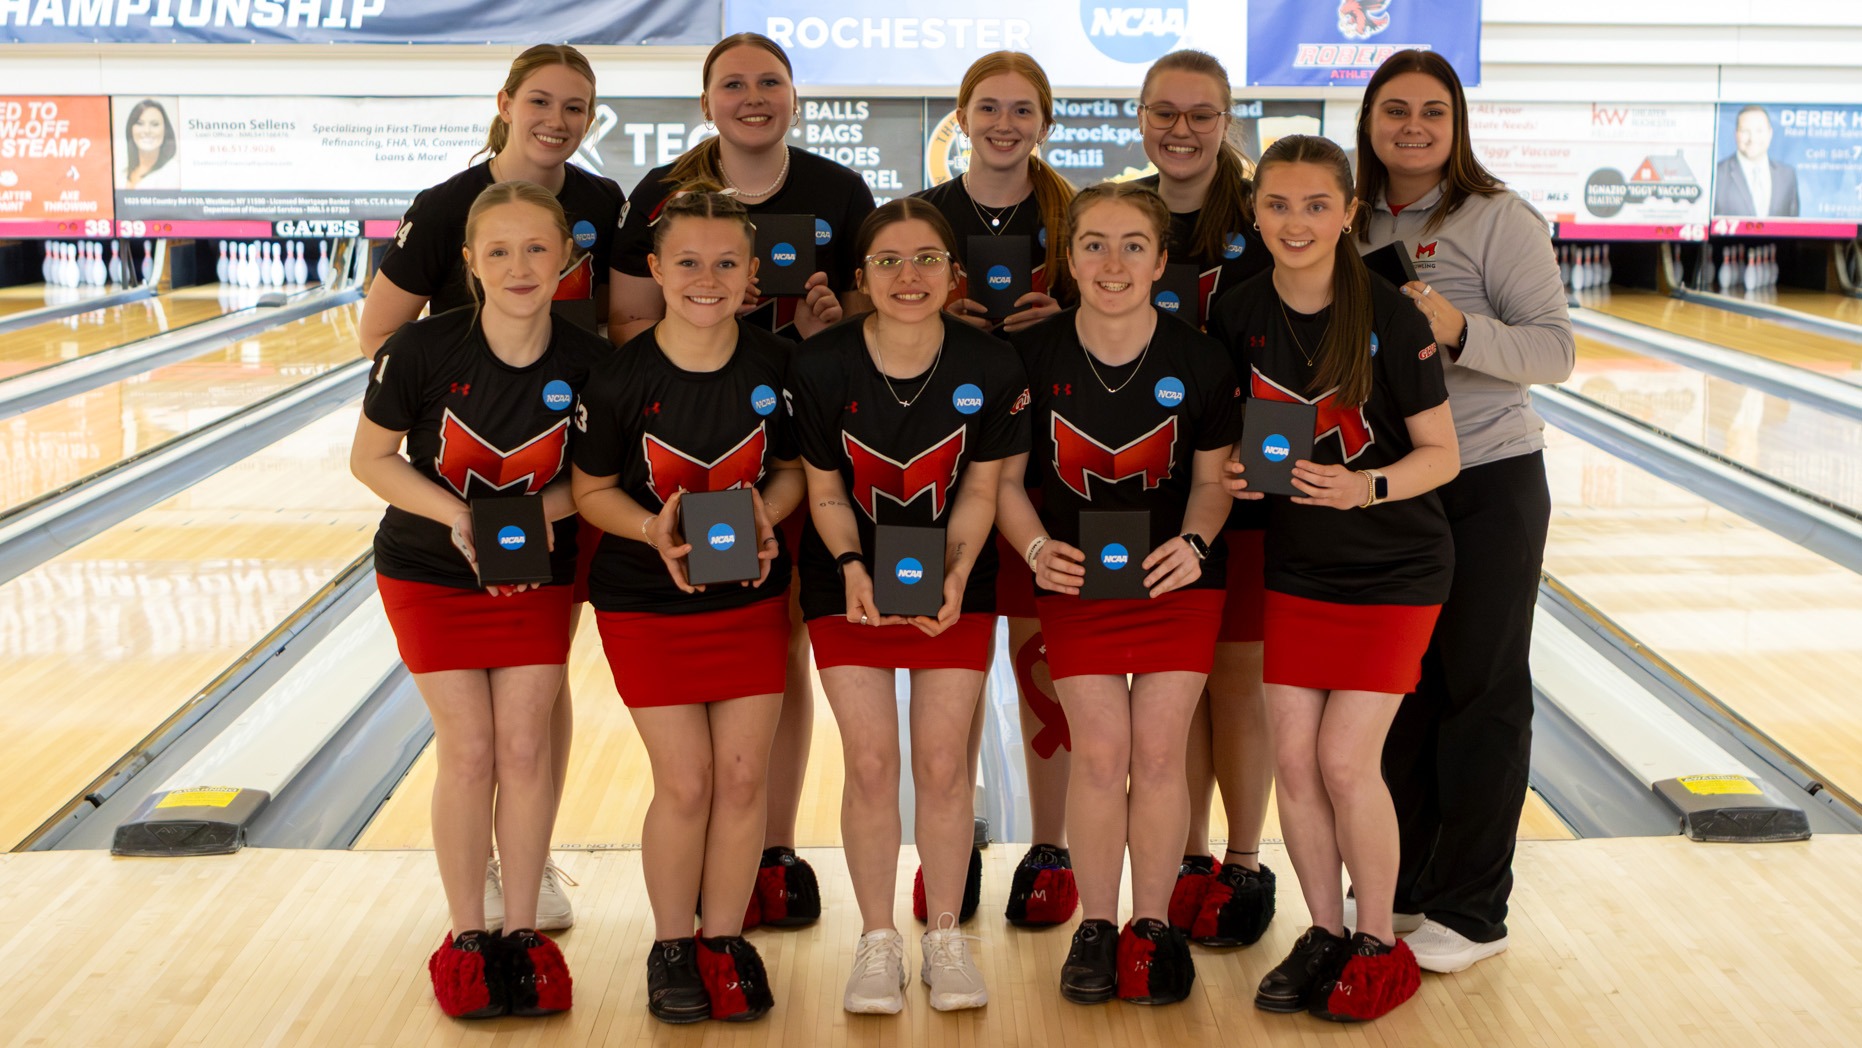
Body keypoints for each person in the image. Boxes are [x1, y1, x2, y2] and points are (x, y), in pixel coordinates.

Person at [612, 36, 878, 925]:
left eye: (770, 82)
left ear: (796, 96)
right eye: (734, 83)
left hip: (787, 447)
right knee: (718, 713)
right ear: (706, 101)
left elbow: (871, 317)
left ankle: (774, 846)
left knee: (785, 653)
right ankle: (710, 867)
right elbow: (626, 322)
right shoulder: (659, 197)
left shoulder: (839, 192)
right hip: (689, 443)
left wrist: (834, 326)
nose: (753, 97)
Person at [359, 44, 623, 935]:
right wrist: (467, 372)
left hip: (555, 477)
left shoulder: (600, 202)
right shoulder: (443, 211)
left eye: (576, 106)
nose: (557, 118)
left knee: (534, 709)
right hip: (463, 462)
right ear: (506, 103)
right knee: (475, 742)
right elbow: (379, 344)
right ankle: (481, 909)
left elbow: (620, 322)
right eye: (541, 101)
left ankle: (529, 857)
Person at [1210, 133, 1460, 1023]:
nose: (1296, 221)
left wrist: (1366, 487)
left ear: (1350, 212)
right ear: (1256, 213)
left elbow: (1443, 455)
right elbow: (1233, 438)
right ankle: (1322, 931)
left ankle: (1377, 941)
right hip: (1300, 568)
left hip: (1396, 568)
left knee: (1346, 763)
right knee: (1293, 761)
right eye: (1277, 204)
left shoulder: (1390, 317)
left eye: (1317, 205)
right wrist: (1234, 477)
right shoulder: (1238, 314)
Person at [1354, 49, 1574, 974]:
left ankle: (1475, 909)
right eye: (1395, 109)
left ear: (1457, 125)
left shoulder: (1498, 218)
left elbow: (1556, 351)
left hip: (1489, 480)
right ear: (1368, 120)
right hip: (1393, 486)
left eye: (1432, 112)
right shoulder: (1346, 216)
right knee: (1401, 695)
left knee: (1483, 691)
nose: (1412, 127)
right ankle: (1403, 885)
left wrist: (1455, 328)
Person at [996, 181, 1240, 1007]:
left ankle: (1152, 925)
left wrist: (1195, 543)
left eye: (1133, 244)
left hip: (1177, 581)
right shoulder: (1032, 359)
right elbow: (1000, 484)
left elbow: (1213, 482)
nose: (1112, 262)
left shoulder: (1201, 360)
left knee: (1162, 752)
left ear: (1161, 261)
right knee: (1100, 753)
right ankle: (1098, 926)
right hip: (1074, 583)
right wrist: (1035, 547)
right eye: (1093, 243)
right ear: (1068, 261)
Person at [785, 198, 1029, 1014]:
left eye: (926, 259)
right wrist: (852, 563)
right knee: (873, 764)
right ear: (861, 279)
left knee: (942, 765)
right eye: (887, 262)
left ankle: (947, 936)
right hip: (842, 579)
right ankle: (877, 940)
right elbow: (824, 494)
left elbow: (981, 491)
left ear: (953, 273)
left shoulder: (990, 368)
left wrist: (957, 573)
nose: (908, 276)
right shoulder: (821, 367)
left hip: (956, 583)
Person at [571, 187, 802, 1024]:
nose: (708, 278)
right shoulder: (620, 376)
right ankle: (672, 944)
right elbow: (590, 488)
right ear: (658, 270)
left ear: (751, 274)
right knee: (688, 779)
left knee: (743, 781)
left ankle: (724, 939)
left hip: (750, 597)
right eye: (690, 263)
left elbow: (791, 471)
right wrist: (651, 529)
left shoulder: (779, 368)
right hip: (645, 600)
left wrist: (766, 515)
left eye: (726, 263)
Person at [911, 49, 1077, 930]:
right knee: (959, 669)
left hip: (1055, 455)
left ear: (1044, 121)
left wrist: (1074, 314)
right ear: (963, 117)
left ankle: (1052, 846)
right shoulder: (924, 216)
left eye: (1022, 110)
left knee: (1041, 663)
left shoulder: (1075, 214)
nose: (1005, 124)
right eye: (989, 108)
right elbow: (880, 314)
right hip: (949, 456)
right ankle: (957, 838)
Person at [1130, 48, 1278, 950]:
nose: (1180, 129)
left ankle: (1247, 859)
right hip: (1150, 490)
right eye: (1163, 112)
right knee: (1171, 691)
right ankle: (1186, 856)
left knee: (1241, 683)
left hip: (1249, 487)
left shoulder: (1265, 217)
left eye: (1200, 113)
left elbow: (1299, 351)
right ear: (1140, 117)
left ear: (1228, 121)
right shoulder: (1123, 217)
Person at [1713, 105, 1800, 218]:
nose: (1752, 139)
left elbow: (1793, 228)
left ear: (1770, 133)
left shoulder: (1787, 175)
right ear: (1736, 134)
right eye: (1745, 131)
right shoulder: (1716, 175)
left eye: (1759, 131)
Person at [119, 99, 178, 190]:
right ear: (131, 129)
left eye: (155, 124)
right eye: (140, 124)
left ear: (165, 131)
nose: (147, 131)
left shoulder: (173, 171)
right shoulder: (121, 173)